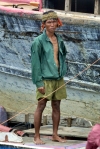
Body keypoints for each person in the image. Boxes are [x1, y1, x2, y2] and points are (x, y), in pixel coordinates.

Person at [31, 10, 67, 145]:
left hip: (58, 78)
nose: (52, 24)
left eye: (54, 22)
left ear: (58, 23)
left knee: (57, 105)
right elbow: (35, 64)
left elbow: (62, 58)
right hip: (45, 79)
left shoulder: (59, 39)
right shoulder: (38, 42)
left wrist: (62, 72)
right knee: (41, 106)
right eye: (49, 22)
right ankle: (36, 136)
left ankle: (55, 135)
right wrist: (39, 82)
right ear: (44, 24)